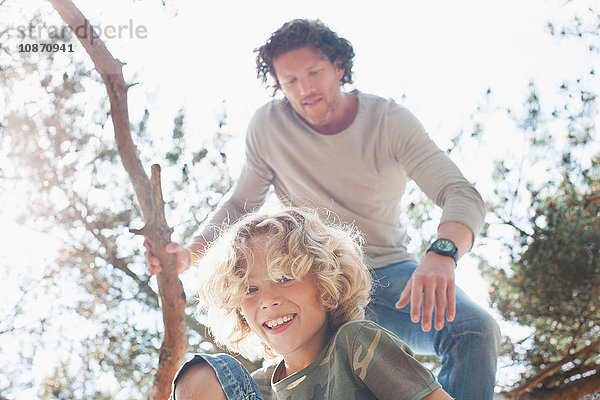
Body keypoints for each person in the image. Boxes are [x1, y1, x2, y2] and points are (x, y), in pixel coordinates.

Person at [147, 19, 500, 399]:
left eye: (313, 73)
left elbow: (460, 192)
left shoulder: (388, 122)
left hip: (390, 275)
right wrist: (187, 254)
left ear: (339, 67)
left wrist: (442, 255)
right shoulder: (269, 127)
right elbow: (239, 204)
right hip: (306, 278)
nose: (305, 89)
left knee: (476, 330)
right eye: (290, 81)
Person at [170, 207, 452, 400]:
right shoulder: (255, 388)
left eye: (284, 277)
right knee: (201, 375)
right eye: (251, 289)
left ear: (325, 280)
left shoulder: (355, 344)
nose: (268, 300)